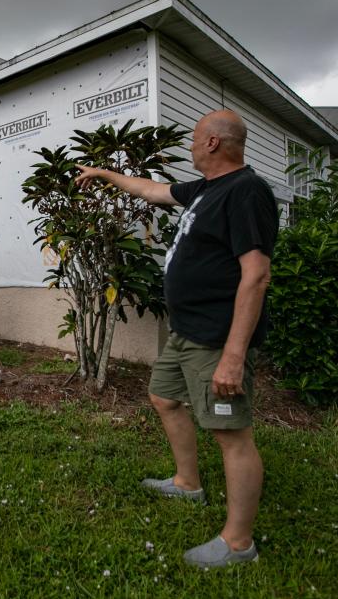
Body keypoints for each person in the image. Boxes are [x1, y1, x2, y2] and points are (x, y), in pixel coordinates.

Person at [74, 109, 278, 569]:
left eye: (193, 139)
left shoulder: (246, 192)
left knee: (231, 435)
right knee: (163, 397)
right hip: (187, 332)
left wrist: (233, 355)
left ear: (212, 143)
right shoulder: (206, 190)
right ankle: (188, 483)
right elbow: (150, 190)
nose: (189, 146)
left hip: (216, 338)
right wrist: (103, 172)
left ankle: (239, 543)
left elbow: (257, 275)